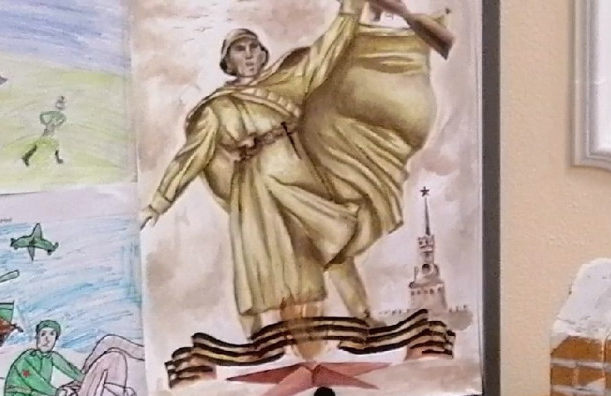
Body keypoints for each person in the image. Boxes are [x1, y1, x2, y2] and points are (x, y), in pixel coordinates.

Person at [139, 0, 444, 338]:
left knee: (335, 239)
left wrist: (350, 8)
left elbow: (326, 52)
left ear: (263, 53)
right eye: (240, 49)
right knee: (256, 263)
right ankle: (253, 339)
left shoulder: (287, 82)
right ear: (228, 61)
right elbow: (190, 157)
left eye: (253, 47)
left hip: (298, 175)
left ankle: (364, 318)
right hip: (255, 191)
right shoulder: (218, 109)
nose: (249, 54)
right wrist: (158, 202)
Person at [3, 320, 83, 396]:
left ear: (56, 339)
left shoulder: (53, 357)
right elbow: (32, 379)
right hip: (16, 392)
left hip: (35, 395)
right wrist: (55, 392)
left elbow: (68, 368)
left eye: (52, 334)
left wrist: (83, 379)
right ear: (37, 337)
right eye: (43, 334)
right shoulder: (27, 357)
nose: (47, 339)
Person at [22, 96, 66, 166]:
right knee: (44, 143)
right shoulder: (53, 113)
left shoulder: (62, 116)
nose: (60, 107)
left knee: (52, 144)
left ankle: (27, 156)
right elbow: (42, 115)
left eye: (61, 105)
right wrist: (45, 123)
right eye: (59, 104)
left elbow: (61, 122)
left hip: (51, 131)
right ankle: (26, 156)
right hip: (48, 131)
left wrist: (56, 125)